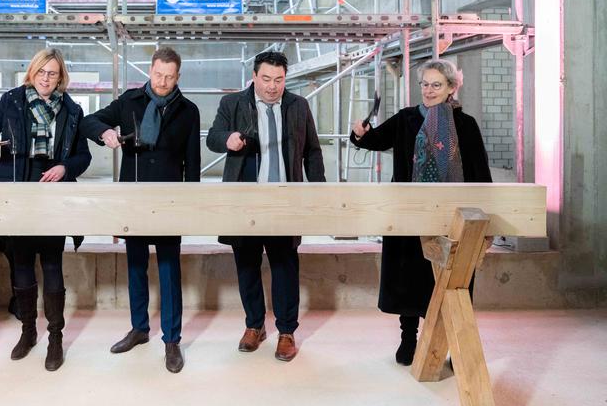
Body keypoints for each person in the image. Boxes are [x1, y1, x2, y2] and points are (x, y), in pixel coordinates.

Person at [350, 58, 492, 366]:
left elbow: (480, 173)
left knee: (453, 280)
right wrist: (361, 133)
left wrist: (486, 223)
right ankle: (408, 339)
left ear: (451, 88)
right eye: (424, 84)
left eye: (436, 85)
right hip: (411, 212)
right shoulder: (406, 119)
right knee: (409, 276)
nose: (428, 91)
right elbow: (375, 139)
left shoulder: (464, 125)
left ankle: (451, 342)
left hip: (452, 215)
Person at [0, 48, 92, 371]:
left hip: (53, 195)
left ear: (61, 77)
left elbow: (83, 156)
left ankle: (55, 339)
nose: (46, 79)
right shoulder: (11, 102)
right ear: (31, 73)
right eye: (41, 72)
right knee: (20, 264)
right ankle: (28, 332)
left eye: (52, 73)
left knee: (51, 265)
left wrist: (64, 168)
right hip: (17, 195)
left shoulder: (72, 111)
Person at [80, 47, 200, 373]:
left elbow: (194, 164)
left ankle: (172, 340)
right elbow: (90, 120)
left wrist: (189, 205)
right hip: (132, 197)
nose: (162, 82)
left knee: (169, 270)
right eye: (158, 75)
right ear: (150, 69)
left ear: (178, 76)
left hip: (168, 200)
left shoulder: (188, 111)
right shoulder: (129, 102)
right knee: (135, 267)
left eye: (170, 77)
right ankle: (139, 329)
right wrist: (105, 132)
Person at [206, 51, 325, 362]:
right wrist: (228, 139)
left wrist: (319, 191)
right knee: (246, 263)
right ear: (255, 77)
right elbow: (213, 137)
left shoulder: (298, 106)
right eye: (267, 79)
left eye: (279, 80)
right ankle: (254, 325)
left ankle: (286, 331)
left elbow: (312, 150)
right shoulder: (232, 104)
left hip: (285, 199)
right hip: (245, 199)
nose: (273, 87)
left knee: (285, 265)